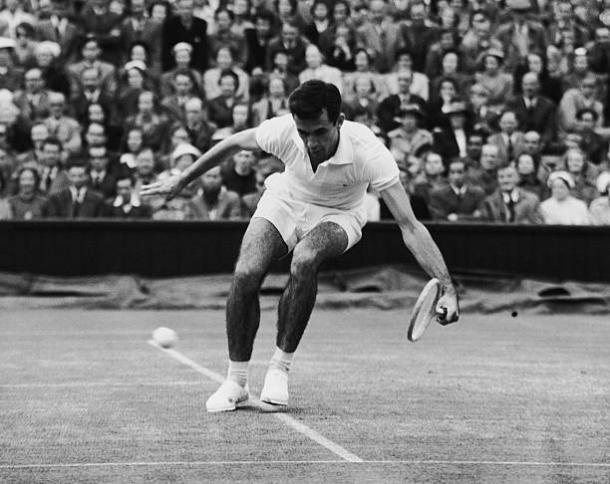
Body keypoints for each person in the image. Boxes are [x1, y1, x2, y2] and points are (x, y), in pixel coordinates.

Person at [141, 80, 459, 412]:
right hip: (286, 201)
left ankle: (280, 367)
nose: (310, 142)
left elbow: (410, 226)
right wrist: (181, 180)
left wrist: (448, 287)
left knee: (305, 259)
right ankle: (236, 382)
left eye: (319, 132)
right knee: (246, 272)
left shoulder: (369, 152)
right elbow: (234, 143)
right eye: (303, 132)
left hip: (340, 215)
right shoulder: (283, 132)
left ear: (340, 121)